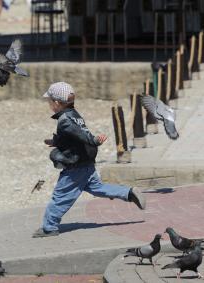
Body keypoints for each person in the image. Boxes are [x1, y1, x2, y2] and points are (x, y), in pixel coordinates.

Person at [32, 82, 146, 238]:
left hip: (75, 167)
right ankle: (129, 193)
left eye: (50, 101)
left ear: (57, 103)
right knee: (98, 188)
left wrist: (94, 140)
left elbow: (82, 135)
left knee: (61, 195)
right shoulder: (75, 115)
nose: (49, 104)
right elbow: (74, 136)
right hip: (86, 163)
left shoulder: (65, 120)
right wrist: (55, 142)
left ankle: (49, 227)